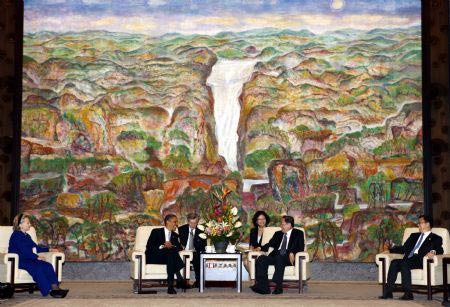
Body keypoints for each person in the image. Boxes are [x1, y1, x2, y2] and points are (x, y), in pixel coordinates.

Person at [379, 214, 443, 301]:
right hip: (408, 259)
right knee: (394, 262)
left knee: (404, 263)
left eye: (420, 223)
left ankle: (408, 293)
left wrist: (433, 252)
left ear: (427, 224)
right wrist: (390, 250)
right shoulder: (414, 236)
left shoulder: (436, 238)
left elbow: (440, 249)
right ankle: (388, 292)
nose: (418, 225)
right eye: (419, 223)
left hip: (420, 260)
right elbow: (404, 248)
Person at [8, 213, 69, 298]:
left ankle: (55, 288)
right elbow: (24, 251)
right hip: (20, 260)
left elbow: (36, 248)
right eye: (28, 223)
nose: (30, 224)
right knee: (38, 269)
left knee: (47, 265)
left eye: (29, 223)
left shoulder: (27, 236)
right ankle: (48, 290)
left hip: (29, 259)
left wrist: (49, 249)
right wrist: (37, 257)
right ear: (20, 225)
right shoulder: (16, 235)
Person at [251, 215, 304, 295]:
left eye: (282, 224)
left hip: (289, 258)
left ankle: (278, 286)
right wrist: (259, 248)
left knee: (280, 256)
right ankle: (263, 287)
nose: (281, 226)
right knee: (261, 258)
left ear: (289, 225)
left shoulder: (298, 233)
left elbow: (300, 247)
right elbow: (270, 244)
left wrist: (292, 252)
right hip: (276, 256)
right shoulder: (278, 234)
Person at [145, 214, 187, 294]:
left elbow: (179, 248)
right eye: (175, 222)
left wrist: (171, 245)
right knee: (170, 252)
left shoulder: (175, 235)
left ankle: (170, 286)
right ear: (168, 222)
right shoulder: (156, 232)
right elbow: (149, 246)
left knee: (170, 252)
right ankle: (179, 278)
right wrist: (162, 246)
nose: (176, 224)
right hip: (155, 257)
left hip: (168, 258)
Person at [178, 212, 206, 288]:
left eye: (195, 223)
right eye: (191, 223)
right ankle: (181, 281)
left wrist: (196, 249)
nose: (193, 225)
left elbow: (203, 245)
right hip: (183, 252)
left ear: (197, 222)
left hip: (195, 252)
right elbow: (176, 242)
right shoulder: (181, 229)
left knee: (198, 257)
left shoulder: (201, 231)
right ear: (188, 221)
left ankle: (198, 281)